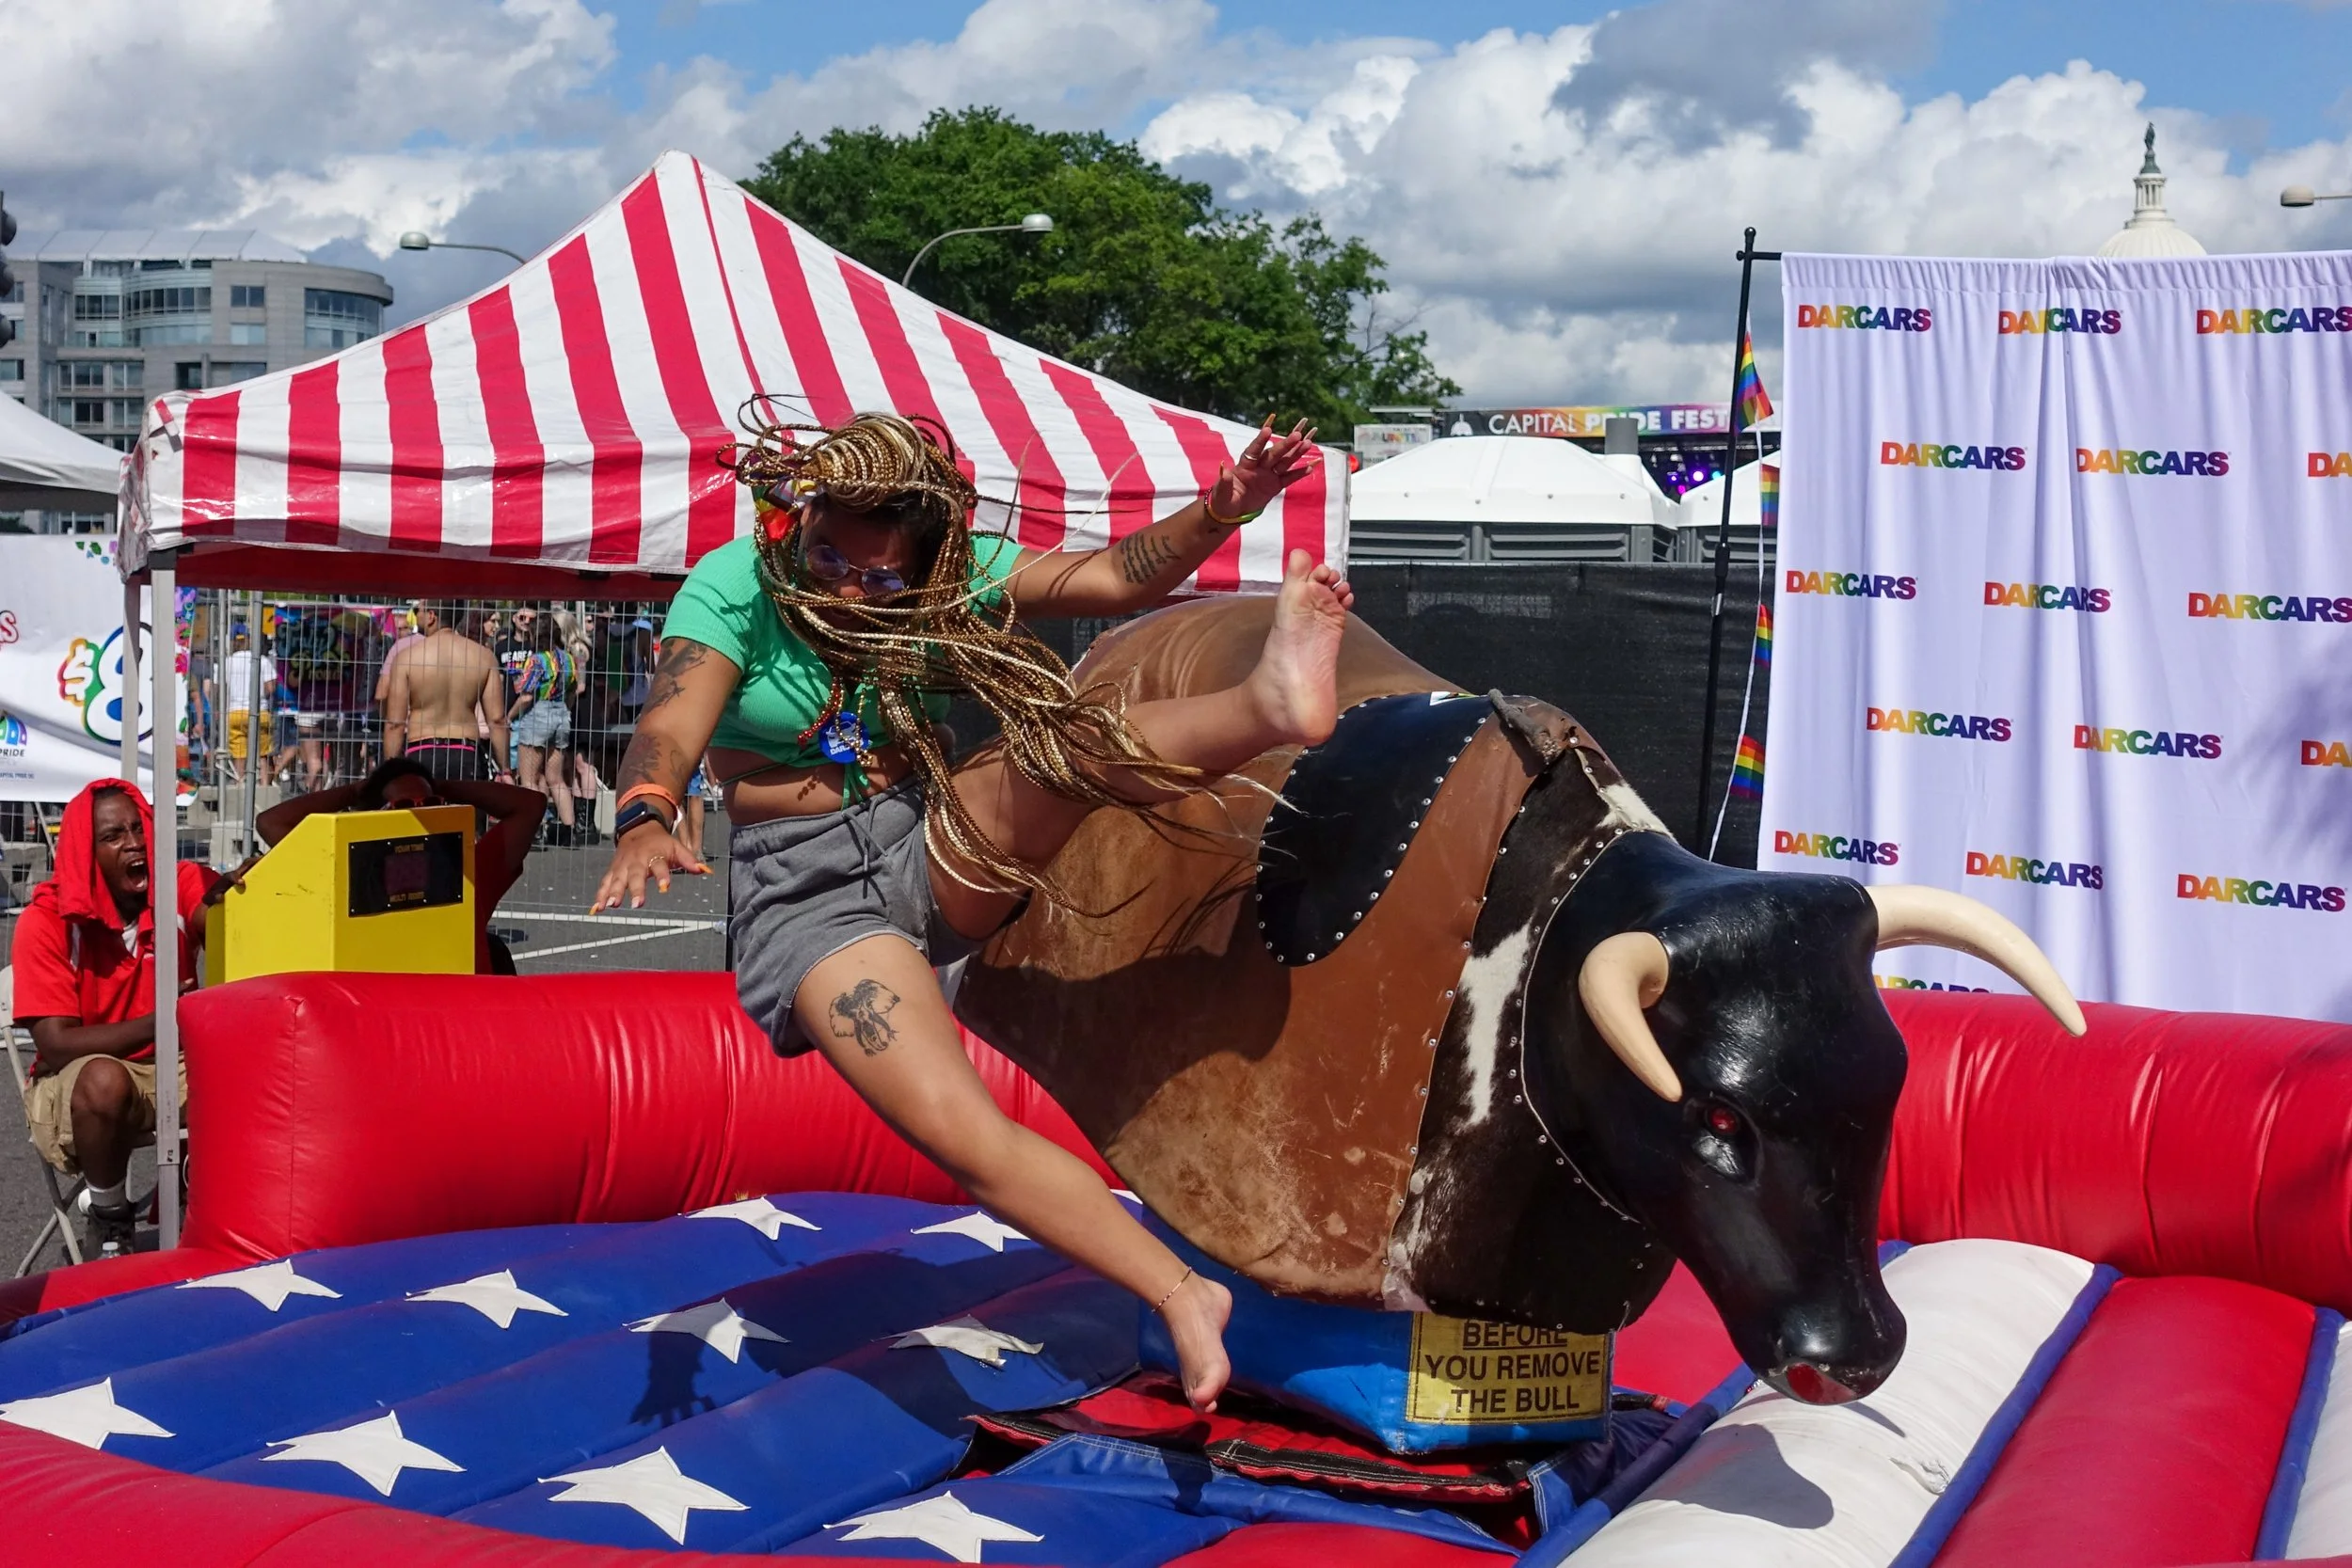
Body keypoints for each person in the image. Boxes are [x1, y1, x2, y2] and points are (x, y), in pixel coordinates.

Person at [593, 410, 1334, 1414]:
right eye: (828, 558)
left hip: (930, 829)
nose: (850, 588)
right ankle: (1180, 1289)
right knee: (960, 1129)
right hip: (809, 895)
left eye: (879, 575)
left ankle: (1270, 705)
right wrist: (646, 812)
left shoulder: (954, 576)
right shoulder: (737, 586)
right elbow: (672, 721)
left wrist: (1225, 505)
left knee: (1052, 749)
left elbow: (1116, 578)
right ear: (793, 522)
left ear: (928, 555)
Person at [13, 780, 219, 1252]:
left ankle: (203, 1193)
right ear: (85, 851)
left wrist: (242, 897)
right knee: (103, 1079)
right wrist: (167, 1020)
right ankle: (109, 1218)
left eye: (137, 828)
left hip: (176, 1065)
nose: (132, 842)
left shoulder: (175, 884)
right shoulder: (46, 922)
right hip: (78, 1082)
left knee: (259, 1058)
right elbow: (57, 1045)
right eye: (112, 836)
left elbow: (215, 906)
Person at [246, 758, 546, 975]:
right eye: (404, 806)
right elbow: (271, 823)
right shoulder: (349, 871)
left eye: (428, 803)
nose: (418, 813)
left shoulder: (466, 870)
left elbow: (530, 806)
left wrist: (441, 787)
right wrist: (355, 793)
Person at [383, 600, 511, 784]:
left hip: (421, 752)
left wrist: (389, 771)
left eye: (419, 610)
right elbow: (497, 719)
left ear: (431, 616)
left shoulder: (407, 658)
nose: (416, 615)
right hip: (465, 753)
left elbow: (395, 723)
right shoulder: (483, 656)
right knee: (465, 812)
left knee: (424, 811)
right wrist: (504, 769)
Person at [509, 613, 580, 845]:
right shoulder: (568, 659)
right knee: (556, 779)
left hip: (537, 716)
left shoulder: (536, 660)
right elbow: (573, 690)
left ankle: (536, 830)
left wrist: (508, 716)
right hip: (561, 715)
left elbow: (527, 696)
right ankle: (569, 831)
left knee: (528, 779)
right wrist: (563, 710)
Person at [222, 628, 278, 784]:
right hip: (259, 710)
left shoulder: (227, 662)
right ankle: (265, 785)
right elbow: (271, 687)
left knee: (239, 753)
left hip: (235, 711)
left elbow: (218, 687)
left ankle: (240, 782)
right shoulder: (262, 660)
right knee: (263, 753)